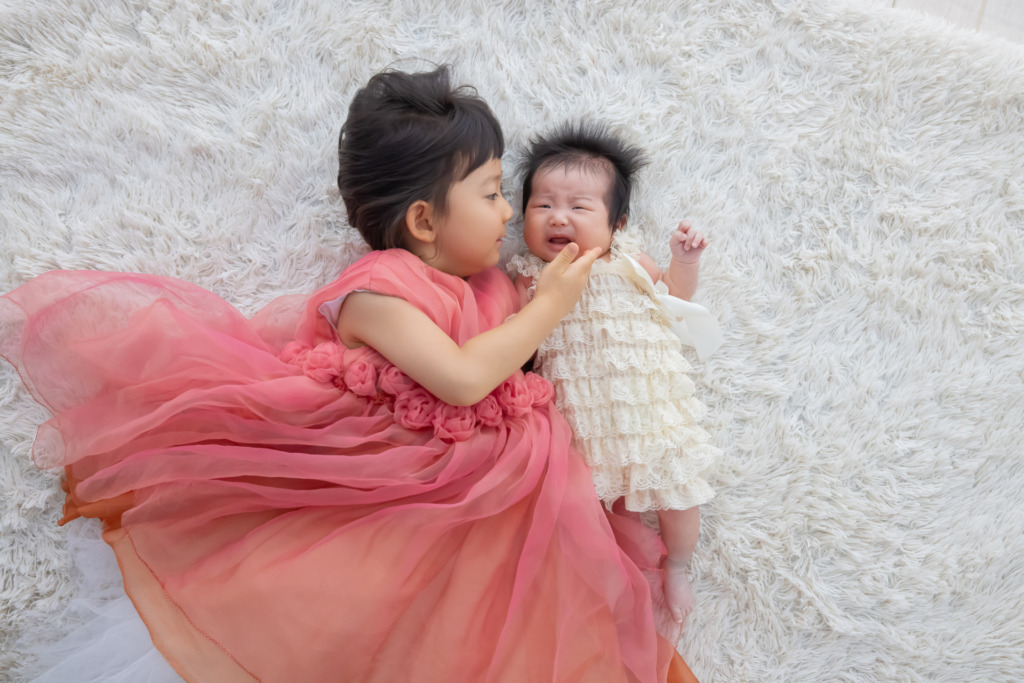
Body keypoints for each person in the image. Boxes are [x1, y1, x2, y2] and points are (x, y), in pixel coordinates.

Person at [0, 67, 698, 682]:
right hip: (390, 480)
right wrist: (548, 306)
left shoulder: (494, 283)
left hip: (496, 492)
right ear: (423, 219)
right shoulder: (379, 289)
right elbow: (461, 380)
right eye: (491, 194)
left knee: (491, 618)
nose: (510, 212)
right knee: (366, 602)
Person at [511, 121, 724, 626]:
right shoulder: (529, 275)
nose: (558, 216)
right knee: (598, 510)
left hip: (652, 410)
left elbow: (674, 297)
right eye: (543, 205)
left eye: (579, 207)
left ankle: (677, 564)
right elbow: (518, 340)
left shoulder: (629, 260)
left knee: (678, 491)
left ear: (617, 224)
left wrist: (683, 261)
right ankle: (615, 579)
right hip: (584, 421)